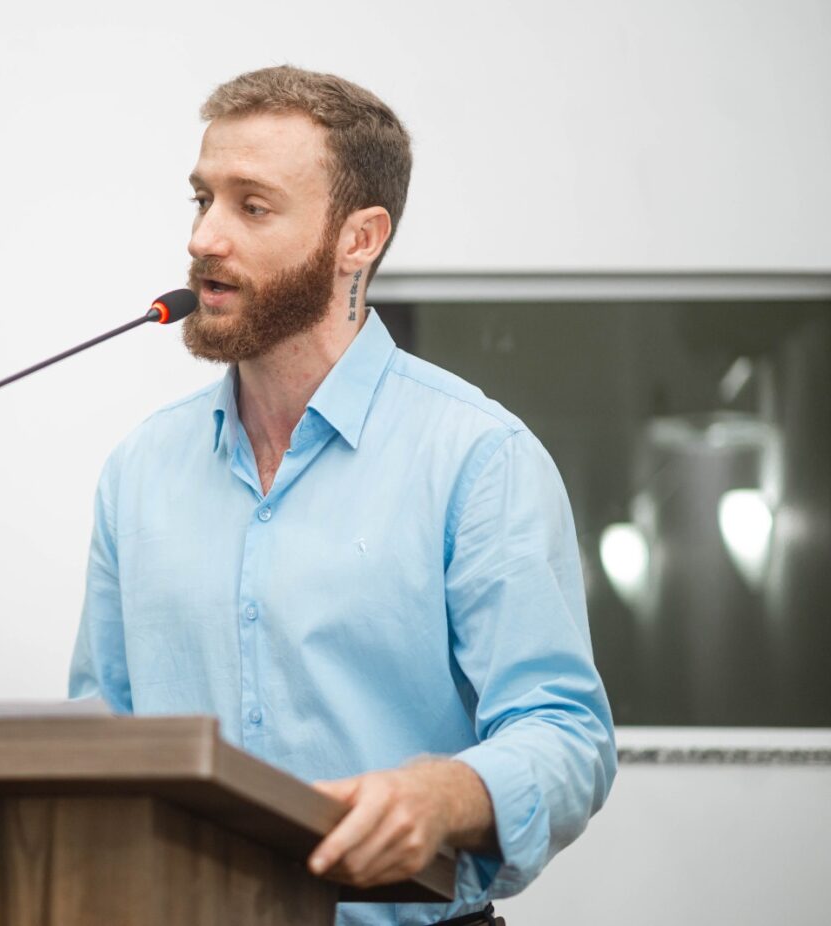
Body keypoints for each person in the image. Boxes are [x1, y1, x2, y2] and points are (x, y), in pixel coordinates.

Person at [68, 64, 616, 926]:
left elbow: (567, 736)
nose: (205, 237)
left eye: (252, 206)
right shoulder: (139, 470)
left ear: (358, 238)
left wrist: (446, 793)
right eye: (202, 199)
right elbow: (99, 733)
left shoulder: (479, 459)